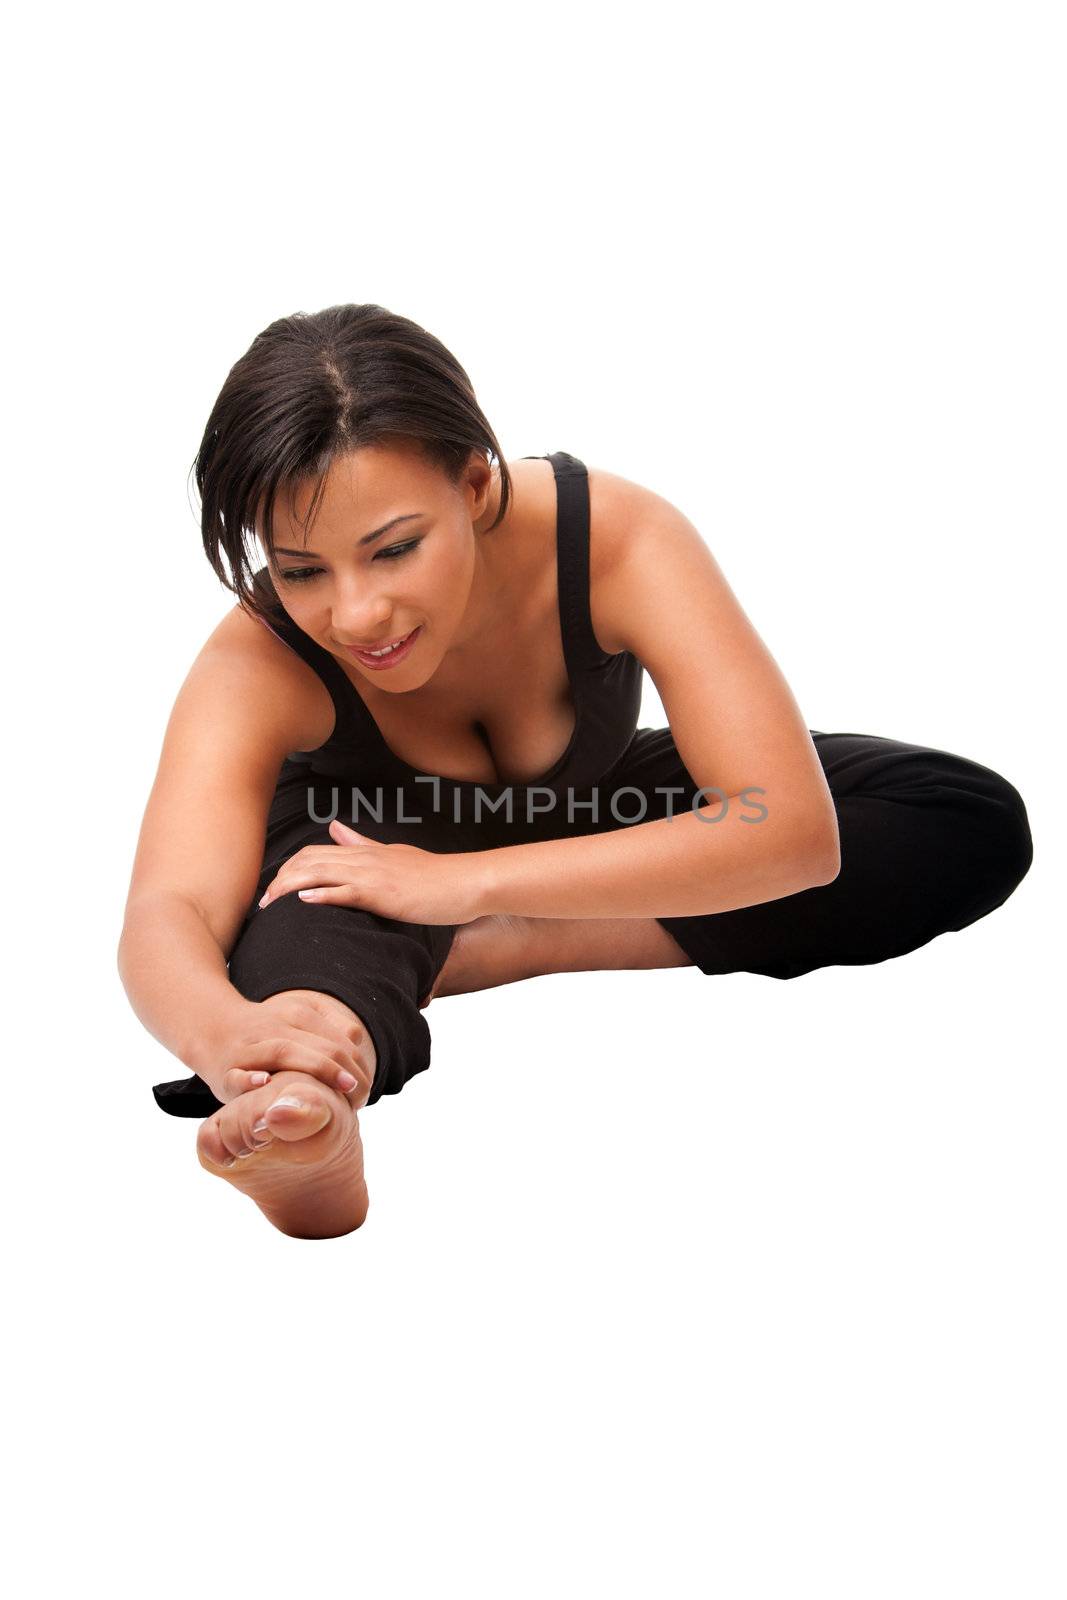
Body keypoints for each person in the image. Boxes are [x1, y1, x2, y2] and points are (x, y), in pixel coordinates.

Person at [117, 302, 1033, 1240]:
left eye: (394, 549)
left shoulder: (615, 539)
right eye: (303, 570)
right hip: (365, 851)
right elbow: (169, 912)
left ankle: (488, 946)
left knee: (959, 816)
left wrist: (457, 890)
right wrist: (223, 1037)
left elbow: (787, 833)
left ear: (473, 485)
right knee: (309, 936)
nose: (357, 614)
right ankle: (307, 1122)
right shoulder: (257, 656)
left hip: (574, 817)